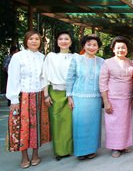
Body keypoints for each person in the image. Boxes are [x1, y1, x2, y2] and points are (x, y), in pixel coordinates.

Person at [6, 30, 50, 168]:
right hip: (22, 96)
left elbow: (44, 78)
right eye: (31, 38)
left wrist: (46, 95)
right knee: (21, 127)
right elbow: (13, 78)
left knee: (37, 126)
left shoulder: (43, 57)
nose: (34, 41)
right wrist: (14, 99)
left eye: (37, 39)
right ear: (26, 41)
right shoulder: (18, 57)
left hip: (38, 96)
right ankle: (24, 156)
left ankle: (36, 154)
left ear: (40, 42)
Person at [66, 34, 104, 160]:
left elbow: (104, 80)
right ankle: (80, 151)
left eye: (94, 45)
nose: (91, 47)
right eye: (89, 44)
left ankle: (91, 150)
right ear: (84, 45)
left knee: (93, 125)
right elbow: (70, 78)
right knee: (80, 124)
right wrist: (69, 96)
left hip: (95, 98)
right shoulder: (76, 59)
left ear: (98, 47)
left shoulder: (101, 61)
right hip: (79, 97)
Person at [41, 31, 76, 160]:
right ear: (57, 42)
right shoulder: (51, 56)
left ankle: (69, 149)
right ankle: (59, 151)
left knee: (70, 123)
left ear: (71, 42)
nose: (63, 41)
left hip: (71, 93)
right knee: (57, 122)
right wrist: (46, 95)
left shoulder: (76, 57)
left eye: (66, 38)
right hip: (55, 92)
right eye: (60, 39)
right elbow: (44, 76)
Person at [100, 36, 133, 158]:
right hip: (112, 98)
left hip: (127, 98)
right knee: (113, 124)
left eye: (123, 47)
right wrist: (106, 101)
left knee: (125, 123)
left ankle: (124, 145)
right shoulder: (107, 62)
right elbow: (102, 83)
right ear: (113, 49)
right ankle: (115, 147)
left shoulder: (131, 62)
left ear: (127, 49)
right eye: (118, 48)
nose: (121, 50)